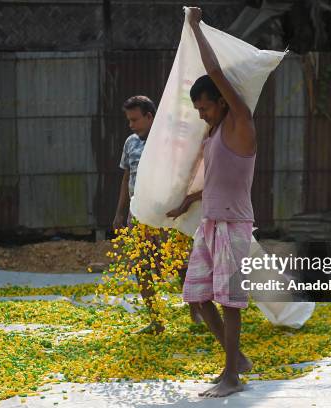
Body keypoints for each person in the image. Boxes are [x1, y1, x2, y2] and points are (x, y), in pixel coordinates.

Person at [166, 6, 255, 397]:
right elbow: (219, 180)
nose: (202, 115)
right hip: (210, 223)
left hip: (234, 226)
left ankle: (231, 377)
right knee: (198, 299)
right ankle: (235, 360)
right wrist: (189, 201)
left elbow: (215, 72)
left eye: (204, 107)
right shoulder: (216, 135)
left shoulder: (241, 123)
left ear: (221, 102)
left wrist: (194, 25)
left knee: (229, 303)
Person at [114, 95, 198, 334]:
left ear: (150, 117)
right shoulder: (130, 143)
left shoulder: (168, 143)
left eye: (135, 120)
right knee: (141, 267)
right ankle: (156, 320)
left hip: (166, 216)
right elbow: (126, 177)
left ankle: (196, 314)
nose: (131, 125)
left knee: (181, 265)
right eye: (129, 120)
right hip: (138, 217)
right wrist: (120, 212)